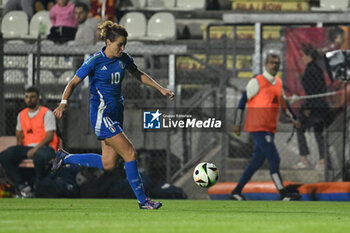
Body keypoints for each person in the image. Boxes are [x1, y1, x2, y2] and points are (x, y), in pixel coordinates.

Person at [53, 21, 174, 209]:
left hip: (117, 113)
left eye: (124, 44)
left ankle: (65, 158)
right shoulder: (94, 61)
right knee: (130, 152)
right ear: (108, 42)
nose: (122, 48)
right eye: (119, 44)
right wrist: (63, 103)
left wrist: (160, 88)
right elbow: (73, 83)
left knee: (108, 163)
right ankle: (143, 201)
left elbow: (138, 73)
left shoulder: (123, 58)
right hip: (102, 116)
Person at [230, 54, 301, 201]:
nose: (274, 65)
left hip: (269, 128)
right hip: (258, 128)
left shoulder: (278, 83)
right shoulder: (256, 81)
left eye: (277, 63)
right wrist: (237, 123)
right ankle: (283, 193)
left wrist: (293, 118)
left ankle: (236, 191)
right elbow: (242, 102)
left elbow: (284, 104)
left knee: (256, 162)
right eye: (271, 63)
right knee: (274, 159)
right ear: (265, 64)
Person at [0, 86, 59, 197]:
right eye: (27, 97)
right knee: (4, 156)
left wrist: (35, 149)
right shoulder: (21, 114)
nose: (29, 99)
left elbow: (50, 136)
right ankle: (22, 185)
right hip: (28, 147)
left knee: (38, 157)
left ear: (38, 98)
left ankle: (38, 186)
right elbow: (19, 131)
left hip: (45, 148)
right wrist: (19, 135)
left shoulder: (46, 113)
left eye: (32, 97)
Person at [293, 44, 331, 170]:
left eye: (303, 55)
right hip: (321, 107)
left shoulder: (310, 70)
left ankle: (304, 159)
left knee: (299, 127)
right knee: (318, 133)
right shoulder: (318, 69)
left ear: (309, 57)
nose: (302, 58)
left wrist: (307, 109)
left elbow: (312, 92)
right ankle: (323, 161)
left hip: (314, 108)